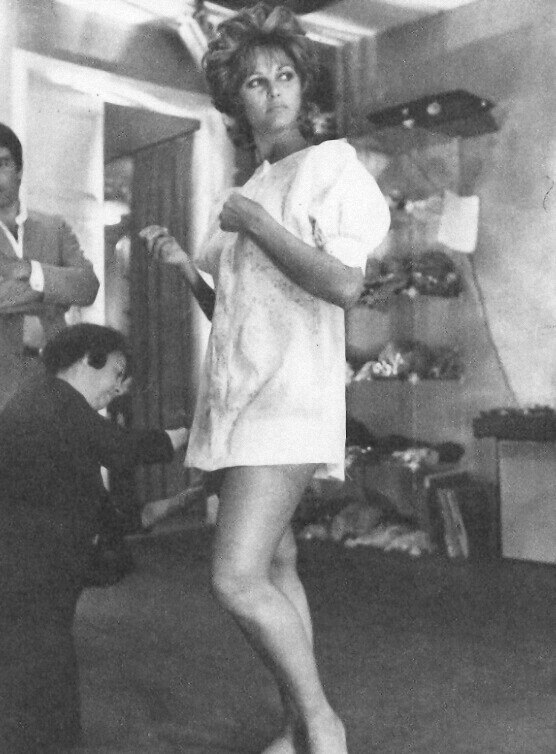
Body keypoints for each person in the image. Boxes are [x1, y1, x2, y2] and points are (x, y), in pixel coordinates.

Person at [141, 4, 391, 752]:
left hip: (289, 399)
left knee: (235, 576)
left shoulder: (330, 167)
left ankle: (323, 723)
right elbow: (237, 315)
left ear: (302, 86)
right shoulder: (250, 188)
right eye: (257, 81)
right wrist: (189, 270)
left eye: (285, 76)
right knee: (277, 563)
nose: (275, 91)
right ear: (235, 99)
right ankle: (295, 725)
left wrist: (255, 223)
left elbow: (342, 285)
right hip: (239, 400)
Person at [0, 323, 189, 753]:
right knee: (41, 674)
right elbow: (122, 449)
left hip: (32, 570)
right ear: (89, 358)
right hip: (27, 572)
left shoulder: (48, 408)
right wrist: (186, 436)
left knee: (39, 671)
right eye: (116, 374)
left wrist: (175, 503)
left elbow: (103, 509)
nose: (118, 389)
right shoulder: (56, 400)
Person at [0, 122, 99, 410]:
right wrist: (53, 292)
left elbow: (88, 286)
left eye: (2, 164)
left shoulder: (54, 228)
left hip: (57, 379)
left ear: (19, 170)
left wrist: (30, 271)